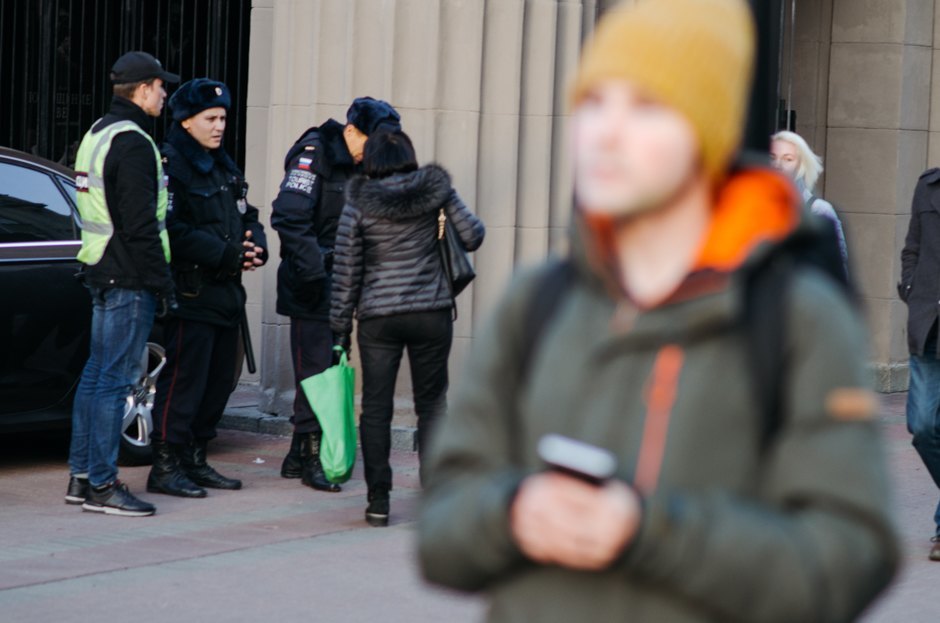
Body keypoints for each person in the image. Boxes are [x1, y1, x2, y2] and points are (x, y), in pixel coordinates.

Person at [418, 1, 899, 620]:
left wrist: (652, 532)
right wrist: (511, 512)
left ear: (707, 134)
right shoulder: (536, 302)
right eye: (595, 102)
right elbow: (440, 534)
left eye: (646, 107)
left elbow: (851, 556)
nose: (605, 132)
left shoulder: (798, 318)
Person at [331, 130, 485, 527]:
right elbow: (472, 235)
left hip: (378, 317)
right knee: (432, 404)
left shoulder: (358, 202)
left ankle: (378, 502)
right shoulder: (435, 191)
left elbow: (346, 271)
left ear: (372, 161)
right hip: (431, 312)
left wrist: (339, 327)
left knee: (376, 409)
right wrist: (442, 205)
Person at [67, 51, 179, 517]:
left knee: (97, 377)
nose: (165, 95)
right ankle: (103, 485)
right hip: (128, 276)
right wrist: (164, 284)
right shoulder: (133, 143)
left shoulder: (99, 132)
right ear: (143, 89)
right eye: (160, 86)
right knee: (113, 381)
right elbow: (139, 226)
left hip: (101, 268)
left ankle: (82, 476)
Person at [271, 97, 400, 493]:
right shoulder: (315, 153)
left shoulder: (364, 165)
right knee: (318, 372)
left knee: (328, 367)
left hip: (342, 285)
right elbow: (289, 217)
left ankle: (297, 454)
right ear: (350, 131)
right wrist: (317, 276)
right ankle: (312, 456)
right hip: (312, 284)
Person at [147, 79, 268, 496]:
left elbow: (246, 212)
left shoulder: (222, 163)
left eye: (223, 118)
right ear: (185, 122)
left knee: (216, 386)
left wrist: (257, 243)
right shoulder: (171, 165)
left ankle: (195, 460)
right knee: (183, 384)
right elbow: (173, 231)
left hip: (226, 296)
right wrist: (228, 254)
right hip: (192, 293)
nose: (219, 126)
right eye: (210, 119)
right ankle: (165, 465)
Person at [899, 167, 940, 562]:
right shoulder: (927, 186)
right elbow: (912, 245)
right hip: (928, 324)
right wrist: (909, 288)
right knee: (923, 426)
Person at [771, 130, 848, 269]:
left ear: (801, 165)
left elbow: (837, 265)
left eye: (788, 159)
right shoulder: (749, 206)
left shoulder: (818, 210)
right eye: (772, 157)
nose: (778, 165)